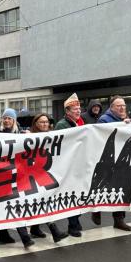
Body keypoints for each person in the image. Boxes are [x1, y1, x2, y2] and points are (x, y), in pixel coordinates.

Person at [0, 108, 34, 247]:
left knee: (13, 203)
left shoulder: (20, 133)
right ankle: (25, 237)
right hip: (0, 173)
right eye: (4, 118)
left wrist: (31, 135)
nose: (6, 120)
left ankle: (3, 234)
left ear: (14, 120)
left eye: (9, 118)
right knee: (10, 203)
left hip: (16, 174)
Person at [93, 95, 131, 231]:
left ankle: (119, 220)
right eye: (119, 106)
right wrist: (122, 126)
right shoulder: (104, 120)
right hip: (107, 160)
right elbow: (101, 136)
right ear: (111, 108)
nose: (122, 108)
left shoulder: (124, 119)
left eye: (124, 105)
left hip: (119, 160)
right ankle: (96, 210)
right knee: (102, 186)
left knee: (119, 188)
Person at [27, 113, 69, 242]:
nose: (45, 124)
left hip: (47, 173)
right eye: (42, 122)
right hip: (34, 175)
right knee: (43, 201)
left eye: (46, 122)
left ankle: (34, 229)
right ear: (36, 124)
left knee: (42, 201)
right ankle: (54, 231)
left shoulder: (52, 136)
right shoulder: (29, 137)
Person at [54, 93, 85, 237]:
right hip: (68, 166)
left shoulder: (80, 122)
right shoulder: (62, 125)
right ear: (67, 111)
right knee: (71, 195)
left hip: (79, 164)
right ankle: (73, 225)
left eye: (79, 108)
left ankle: (76, 222)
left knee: (78, 194)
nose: (78, 111)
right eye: (75, 109)